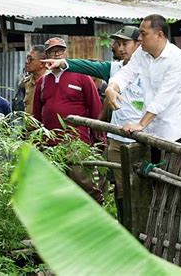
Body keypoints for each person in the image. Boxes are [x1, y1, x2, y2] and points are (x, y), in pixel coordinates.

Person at [41, 26, 142, 221]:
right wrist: (63, 62)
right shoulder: (115, 68)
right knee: (121, 189)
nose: (120, 48)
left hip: (143, 137)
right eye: (117, 44)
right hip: (117, 136)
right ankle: (124, 228)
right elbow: (88, 66)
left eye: (125, 44)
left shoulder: (150, 69)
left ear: (139, 44)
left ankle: (140, 230)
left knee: (141, 186)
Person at [33, 37, 104, 204]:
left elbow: (95, 108)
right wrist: (36, 140)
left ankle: (94, 217)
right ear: (46, 55)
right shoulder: (42, 82)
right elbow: (36, 115)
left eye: (60, 50)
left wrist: (100, 138)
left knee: (83, 183)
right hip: (50, 143)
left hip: (77, 142)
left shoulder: (82, 77)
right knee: (55, 187)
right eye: (52, 51)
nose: (57, 54)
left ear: (66, 53)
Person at [106, 14, 181, 145]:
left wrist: (140, 124)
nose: (139, 38)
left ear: (160, 35)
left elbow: (162, 98)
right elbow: (126, 73)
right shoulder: (141, 52)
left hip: (173, 134)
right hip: (149, 133)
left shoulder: (178, 59)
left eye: (143, 34)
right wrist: (111, 88)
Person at [12, 45, 47, 115]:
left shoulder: (51, 81)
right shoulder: (26, 83)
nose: (27, 62)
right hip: (30, 124)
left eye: (30, 59)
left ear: (42, 63)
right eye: (27, 58)